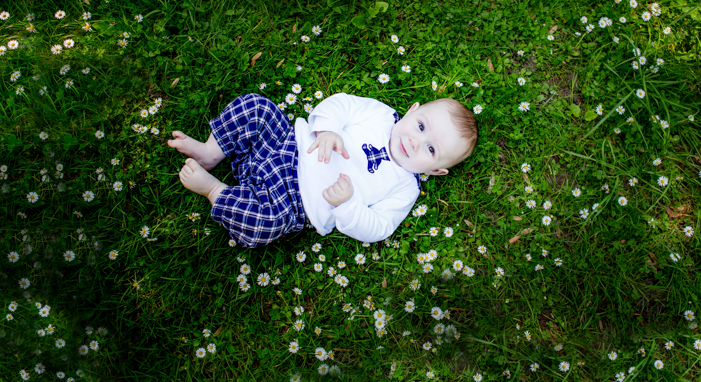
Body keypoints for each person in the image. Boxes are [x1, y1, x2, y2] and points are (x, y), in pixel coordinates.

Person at [167, 92, 478, 246]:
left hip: (291, 204)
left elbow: (380, 227)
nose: (415, 142)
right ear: (412, 110)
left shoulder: (405, 187)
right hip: (288, 145)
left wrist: (348, 205)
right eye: (421, 126)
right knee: (257, 107)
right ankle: (210, 151)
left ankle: (214, 190)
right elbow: (341, 104)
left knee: (263, 224)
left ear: (436, 172)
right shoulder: (381, 115)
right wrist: (328, 130)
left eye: (431, 150)